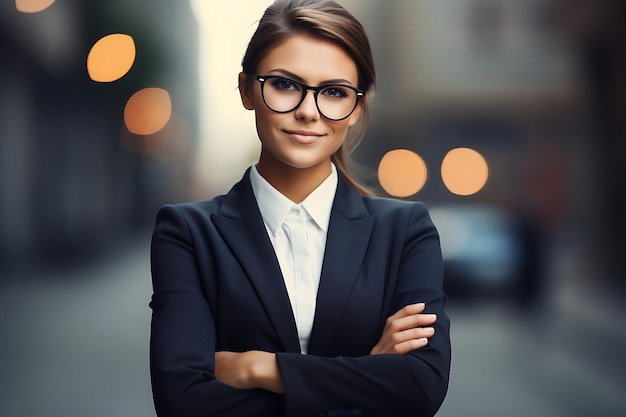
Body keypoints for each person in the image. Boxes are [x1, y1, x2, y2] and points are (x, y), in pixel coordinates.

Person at [149, 0, 451, 416]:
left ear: (357, 107)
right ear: (247, 89)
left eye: (334, 92)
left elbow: (421, 386)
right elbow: (182, 402)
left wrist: (260, 367)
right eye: (286, 85)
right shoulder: (186, 232)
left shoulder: (405, 231)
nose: (308, 111)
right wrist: (369, 373)